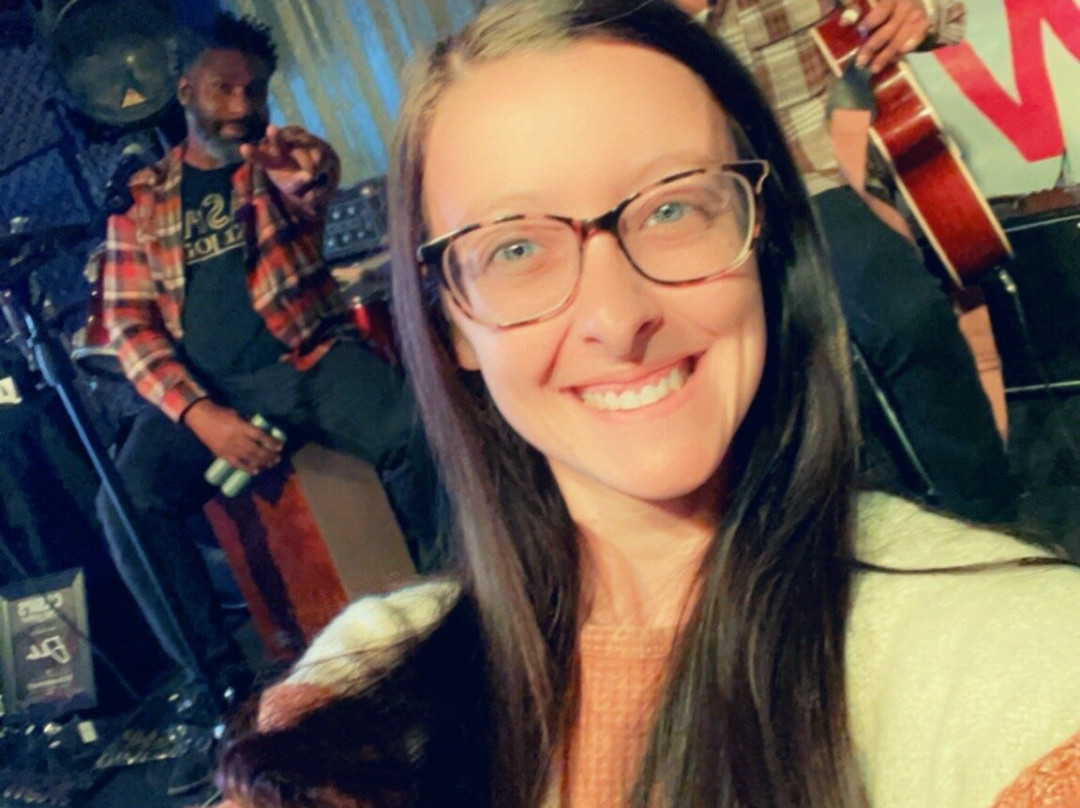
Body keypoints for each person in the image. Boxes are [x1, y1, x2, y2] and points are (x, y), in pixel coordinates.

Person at [213, 2, 1080, 807]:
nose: (617, 318)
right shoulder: (362, 676)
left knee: (897, 305)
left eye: (671, 206)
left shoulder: (1011, 655)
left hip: (813, 190)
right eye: (515, 247)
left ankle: (983, 502)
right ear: (448, 322)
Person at [97, 12, 440, 742]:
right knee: (124, 502)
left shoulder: (277, 160)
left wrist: (305, 177)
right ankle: (222, 690)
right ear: (185, 91)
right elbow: (128, 325)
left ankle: (449, 611)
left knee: (421, 430)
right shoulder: (142, 200)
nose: (241, 104)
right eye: (223, 89)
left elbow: (309, 182)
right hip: (202, 390)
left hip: (305, 360)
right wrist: (199, 415)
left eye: (253, 90)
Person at [673, 0, 1023, 526]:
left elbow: (948, 13)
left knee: (903, 312)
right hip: (694, 201)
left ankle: (991, 523)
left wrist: (918, 12)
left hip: (819, 171)